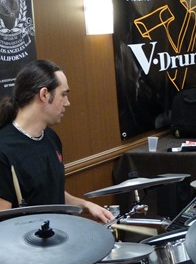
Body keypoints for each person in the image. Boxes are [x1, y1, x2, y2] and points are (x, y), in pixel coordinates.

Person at [0, 59, 113, 219]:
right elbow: (3, 224)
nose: (67, 103)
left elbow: (51, 195)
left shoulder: (51, 137)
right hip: (29, 235)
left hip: (58, 232)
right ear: (44, 95)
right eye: (63, 95)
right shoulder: (4, 150)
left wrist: (86, 205)